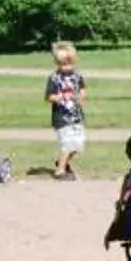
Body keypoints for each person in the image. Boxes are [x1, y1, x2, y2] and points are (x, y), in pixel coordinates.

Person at [44, 41, 89, 180]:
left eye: (70, 63)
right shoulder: (54, 78)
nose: (67, 67)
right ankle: (60, 171)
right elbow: (48, 96)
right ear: (57, 63)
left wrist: (82, 97)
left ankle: (63, 162)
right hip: (61, 117)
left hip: (76, 116)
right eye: (63, 64)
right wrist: (59, 97)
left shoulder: (77, 76)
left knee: (78, 143)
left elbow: (83, 88)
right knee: (67, 143)